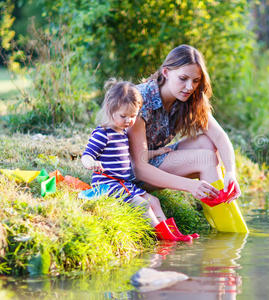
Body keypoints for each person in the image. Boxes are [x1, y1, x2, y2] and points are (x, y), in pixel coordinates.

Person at [81, 79, 197, 242]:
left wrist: (157, 152)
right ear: (110, 110)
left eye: (133, 116)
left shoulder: (122, 133)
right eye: (123, 116)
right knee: (143, 205)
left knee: (154, 201)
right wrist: (90, 163)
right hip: (107, 184)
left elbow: (135, 156)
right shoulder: (103, 133)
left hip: (123, 184)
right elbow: (86, 155)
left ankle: (174, 234)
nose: (128, 121)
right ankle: (163, 238)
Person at [128, 44, 241, 203]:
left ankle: (215, 208)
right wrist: (189, 185)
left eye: (195, 81)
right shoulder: (140, 99)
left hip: (157, 158)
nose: (190, 87)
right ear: (166, 72)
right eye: (183, 79)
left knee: (206, 142)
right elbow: (139, 168)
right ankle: (222, 216)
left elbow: (220, 136)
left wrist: (230, 172)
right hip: (130, 172)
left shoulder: (187, 98)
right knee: (205, 158)